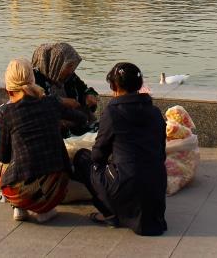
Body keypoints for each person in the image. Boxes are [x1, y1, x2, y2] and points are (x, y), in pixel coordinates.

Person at [72, 62, 167, 235]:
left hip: (126, 186)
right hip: (156, 186)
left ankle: (110, 214)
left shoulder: (113, 112)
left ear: (115, 86)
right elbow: (161, 153)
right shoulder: (154, 112)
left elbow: (98, 155)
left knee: (83, 159)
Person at [0, 58, 87, 224]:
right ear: (33, 80)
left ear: (8, 89)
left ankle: (18, 208)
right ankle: (46, 211)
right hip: (56, 190)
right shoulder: (51, 102)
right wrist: (58, 123)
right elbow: (81, 118)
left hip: (17, 193)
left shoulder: (6, 112)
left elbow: (4, 156)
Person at [31, 42, 99, 136]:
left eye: (73, 66)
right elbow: (36, 103)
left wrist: (89, 95)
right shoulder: (35, 78)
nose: (72, 70)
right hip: (51, 130)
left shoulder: (70, 77)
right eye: (69, 66)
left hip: (77, 125)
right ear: (57, 64)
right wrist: (61, 101)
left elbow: (84, 88)